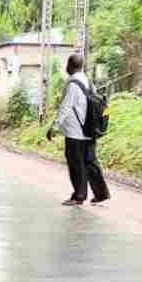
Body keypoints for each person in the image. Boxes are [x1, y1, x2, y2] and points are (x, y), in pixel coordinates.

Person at [48, 54, 110, 206]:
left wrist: (54, 127)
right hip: (90, 129)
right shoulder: (88, 81)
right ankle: (101, 193)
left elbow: (65, 107)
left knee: (76, 164)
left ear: (70, 65)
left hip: (76, 132)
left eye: (67, 65)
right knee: (91, 162)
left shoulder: (73, 84)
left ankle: (79, 196)